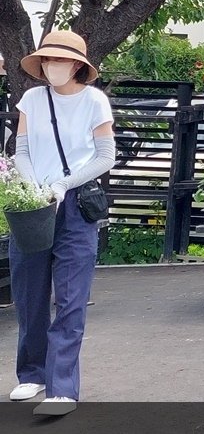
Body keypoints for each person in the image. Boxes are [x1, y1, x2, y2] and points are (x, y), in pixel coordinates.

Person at [8, 31, 115, 417]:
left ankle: (62, 387)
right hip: (34, 206)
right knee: (29, 292)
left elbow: (106, 156)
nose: (52, 66)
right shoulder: (32, 100)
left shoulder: (94, 101)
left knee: (70, 298)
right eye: (47, 60)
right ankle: (32, 374)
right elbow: (20, 149)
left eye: (60, 60)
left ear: (77, 66)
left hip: (75, 208)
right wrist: (35, 184)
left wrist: (63, 184)